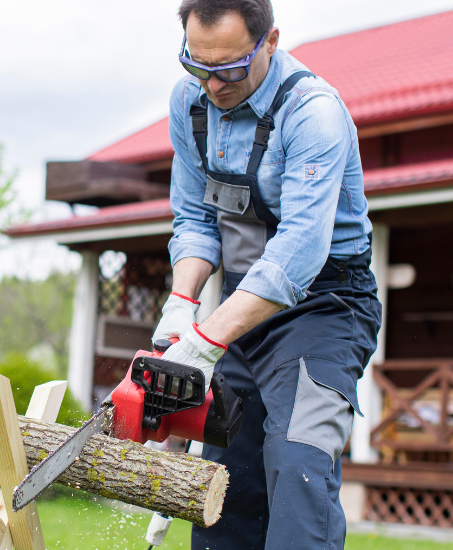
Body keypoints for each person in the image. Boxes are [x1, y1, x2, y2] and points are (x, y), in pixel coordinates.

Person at [151, 0, 382, 548]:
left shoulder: (312, 112)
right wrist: (182, 305)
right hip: (240, 308)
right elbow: (196, 217)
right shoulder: (190, 104)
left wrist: (207, 339)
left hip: (325, 307)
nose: (212, 84)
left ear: (270, 42)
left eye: (228, 69)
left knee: (297, 463)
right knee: (229, 483)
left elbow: (299, 251)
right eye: (197, 66)